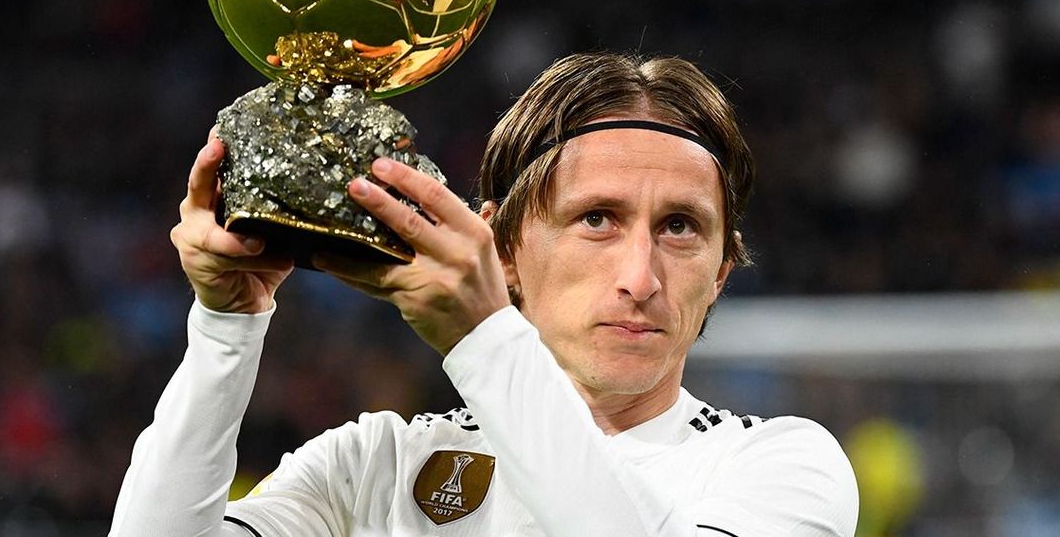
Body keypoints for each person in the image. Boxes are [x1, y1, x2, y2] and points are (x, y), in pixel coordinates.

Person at [109, 52, 859, 536]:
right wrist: (224, 327)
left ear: (721, 271)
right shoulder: (374, 466)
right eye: (596, 219)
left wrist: (483, 335)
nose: (640, 276)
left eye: (679, 228)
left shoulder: (779, 466)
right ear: (502, 248)